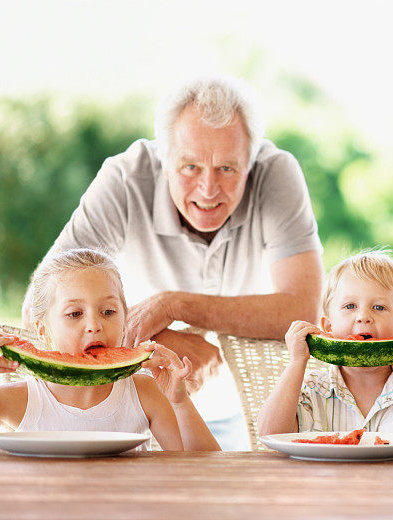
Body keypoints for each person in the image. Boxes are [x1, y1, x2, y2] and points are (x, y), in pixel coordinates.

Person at [45, 76, 324, 449]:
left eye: (227, 168)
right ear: (163, 157)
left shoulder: (277, 172)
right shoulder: (126, 177)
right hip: (134, 403)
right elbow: (45, 298)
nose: (208, 189)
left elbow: (301, 309)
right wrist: (154, 340)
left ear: (251, 161)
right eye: (189, 167)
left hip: (242, 411)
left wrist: (175, 305)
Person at [0, 248, 219, 451]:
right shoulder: (19, 399)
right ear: (43, 331)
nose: (94, 326)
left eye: (108, 312)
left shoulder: (145, 392)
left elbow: (205, 468)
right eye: (75, 314)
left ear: (124, 321)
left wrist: (180, 403)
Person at [256, 251, 393, 450]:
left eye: (379, 307)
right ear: (328, 328)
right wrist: (297, 362)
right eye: (350, 306)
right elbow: (270, 435)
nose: (363, 316)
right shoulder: (313, 388)